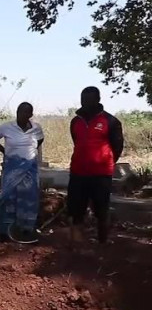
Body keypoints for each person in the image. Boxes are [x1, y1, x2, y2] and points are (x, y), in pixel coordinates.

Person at [67, 86, 124, 244]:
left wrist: (105, 161)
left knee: (101, 209)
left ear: (98, 100)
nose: (85, 102)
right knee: (76, 208)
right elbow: (76, 141)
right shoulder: (75, 122)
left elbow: (117, 146)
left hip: (101, 174)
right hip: (78, 172)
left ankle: (102, 241)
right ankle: (77, 242)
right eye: (83, 99)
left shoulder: (110, 121)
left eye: (89, 99)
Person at [0, 102, 45, 243]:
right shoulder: (7, 127)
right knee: (9, 196)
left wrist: (31, 153)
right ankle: (5, 230)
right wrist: (5, 151)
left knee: (29, 196)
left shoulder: (36, 128)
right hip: (12, 168)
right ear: (17, 112)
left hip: (30, 169)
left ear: (30, 115)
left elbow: (40, 140)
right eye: (20, 112)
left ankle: (25, 228)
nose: (23, 115)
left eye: (26, 113)